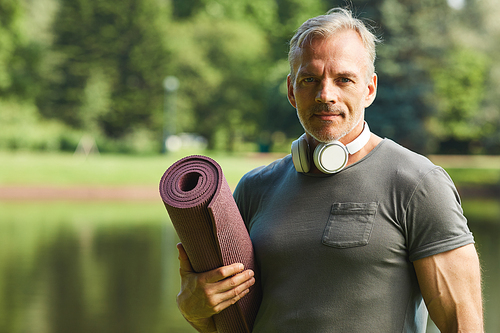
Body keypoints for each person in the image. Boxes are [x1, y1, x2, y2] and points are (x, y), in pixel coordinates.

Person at [176, 7, 483, 333]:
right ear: (292, 91)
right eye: (310, 79)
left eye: (344, 79)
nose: (326, 95)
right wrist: (194, 310)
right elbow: (231, 323)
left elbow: (462, 325)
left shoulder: (417, 183)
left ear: (369, 89)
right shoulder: (255, 188)